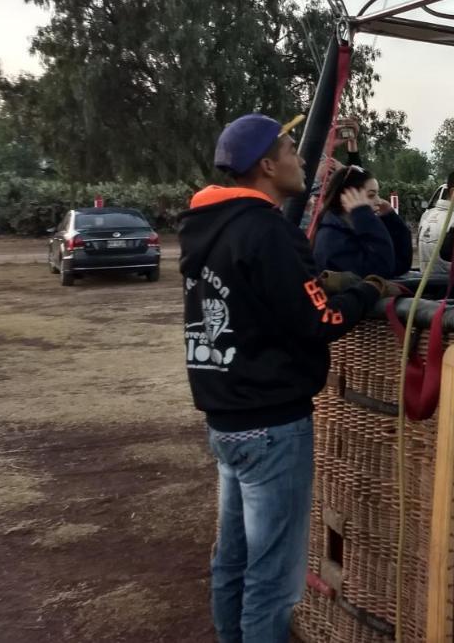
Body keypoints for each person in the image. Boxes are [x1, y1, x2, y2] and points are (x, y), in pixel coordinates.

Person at [178, 113, 390, 643]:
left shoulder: (207, 227)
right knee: (273, 578)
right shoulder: (268, 230)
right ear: (268, 165)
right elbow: (319, 320)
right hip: (272, 424)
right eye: (293, 150)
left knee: (234, 558)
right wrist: (368, 290)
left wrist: (321, 283)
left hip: (226, 420)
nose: (302, 160)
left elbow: (266, 301)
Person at [312, 164, 412, 278]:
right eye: (371, 195)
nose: (379, 201)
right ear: (348, 197)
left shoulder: (352, 230)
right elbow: (382, 270)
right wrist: (363, 214)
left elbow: (400, 265)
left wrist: (391, 219)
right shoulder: (332, 240)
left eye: (377, 194)